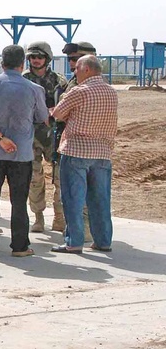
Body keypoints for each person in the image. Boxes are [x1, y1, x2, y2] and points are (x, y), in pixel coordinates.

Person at [0, 45, 48, 257]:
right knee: (19, 201)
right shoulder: (34, 89)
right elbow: (42, 117)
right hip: (21, 153)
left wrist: (0, 137)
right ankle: (20, 246)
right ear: (23, 64)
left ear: (1, 64)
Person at [51, 55, 117, 254]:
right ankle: (103, 240)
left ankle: (74, 241)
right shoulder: (111, 92)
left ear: (87, 69)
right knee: (101, 199)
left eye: (77, 69)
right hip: (103, 152)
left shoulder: (79, 91)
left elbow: (58, 114)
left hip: (76, 150)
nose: (74, 73)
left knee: (73, 198)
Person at [54, 41, 97, 239]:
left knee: (81, 190)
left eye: (74, 59)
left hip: (82, 145)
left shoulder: (87, 84)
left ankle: (83, 230)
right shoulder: (72, 81)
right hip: (67, 141)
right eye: (69, 59)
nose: (71, 63)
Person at [23, 41, 68, 233]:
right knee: (34, 178)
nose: (35, 60)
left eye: (39, 57)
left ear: (47, 59)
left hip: (54, 137)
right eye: (32, 57)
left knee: (60, 179)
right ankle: (38, 217)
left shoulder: (59, 81)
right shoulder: (23, 79)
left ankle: (59, 217)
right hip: (30, 136)